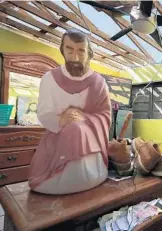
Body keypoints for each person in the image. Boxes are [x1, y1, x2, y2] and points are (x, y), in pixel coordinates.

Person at [28, 29, 112, 194]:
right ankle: (59, 177)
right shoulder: (49, 78)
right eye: (70, 50)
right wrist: (60, 121)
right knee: (73, 128)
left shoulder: (98, 82)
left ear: (89, 54)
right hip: (56, 143)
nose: (75, 57)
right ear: (62, 50)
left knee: (77, 128)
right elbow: (44, 112)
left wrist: (84, 118)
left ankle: (87, 174)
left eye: (81, 51)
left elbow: (105, 114)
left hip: (90, 144)